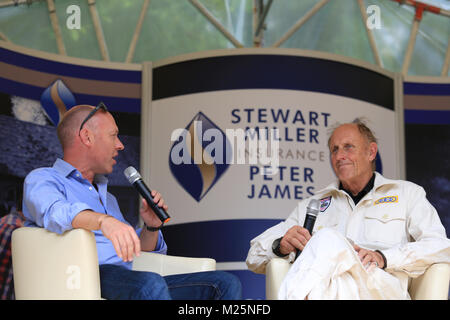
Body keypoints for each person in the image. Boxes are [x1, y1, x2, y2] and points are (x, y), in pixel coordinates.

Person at [23, 103, 241, 300]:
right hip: (79, 277)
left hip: (127, 281)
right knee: (148, 284)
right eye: (113, 135)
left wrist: (151, 226)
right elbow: (55, 212)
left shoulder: (108, 198)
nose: (120, 145)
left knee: (223, 284)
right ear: (87, 137)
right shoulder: (43, 179)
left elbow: (136, 252)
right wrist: (103, 221)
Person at [246, 120, 450, 299]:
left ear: (371, 152)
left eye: (348, 147)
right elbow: (253, 256)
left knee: (325, 238)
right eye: (334, 149)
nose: (339, 155)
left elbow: (441, 247)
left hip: (382, 290)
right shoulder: (314, 203)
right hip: (328, 291)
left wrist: (385, 257)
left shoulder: (407, 194)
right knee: (326, 273)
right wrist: (279, 246)